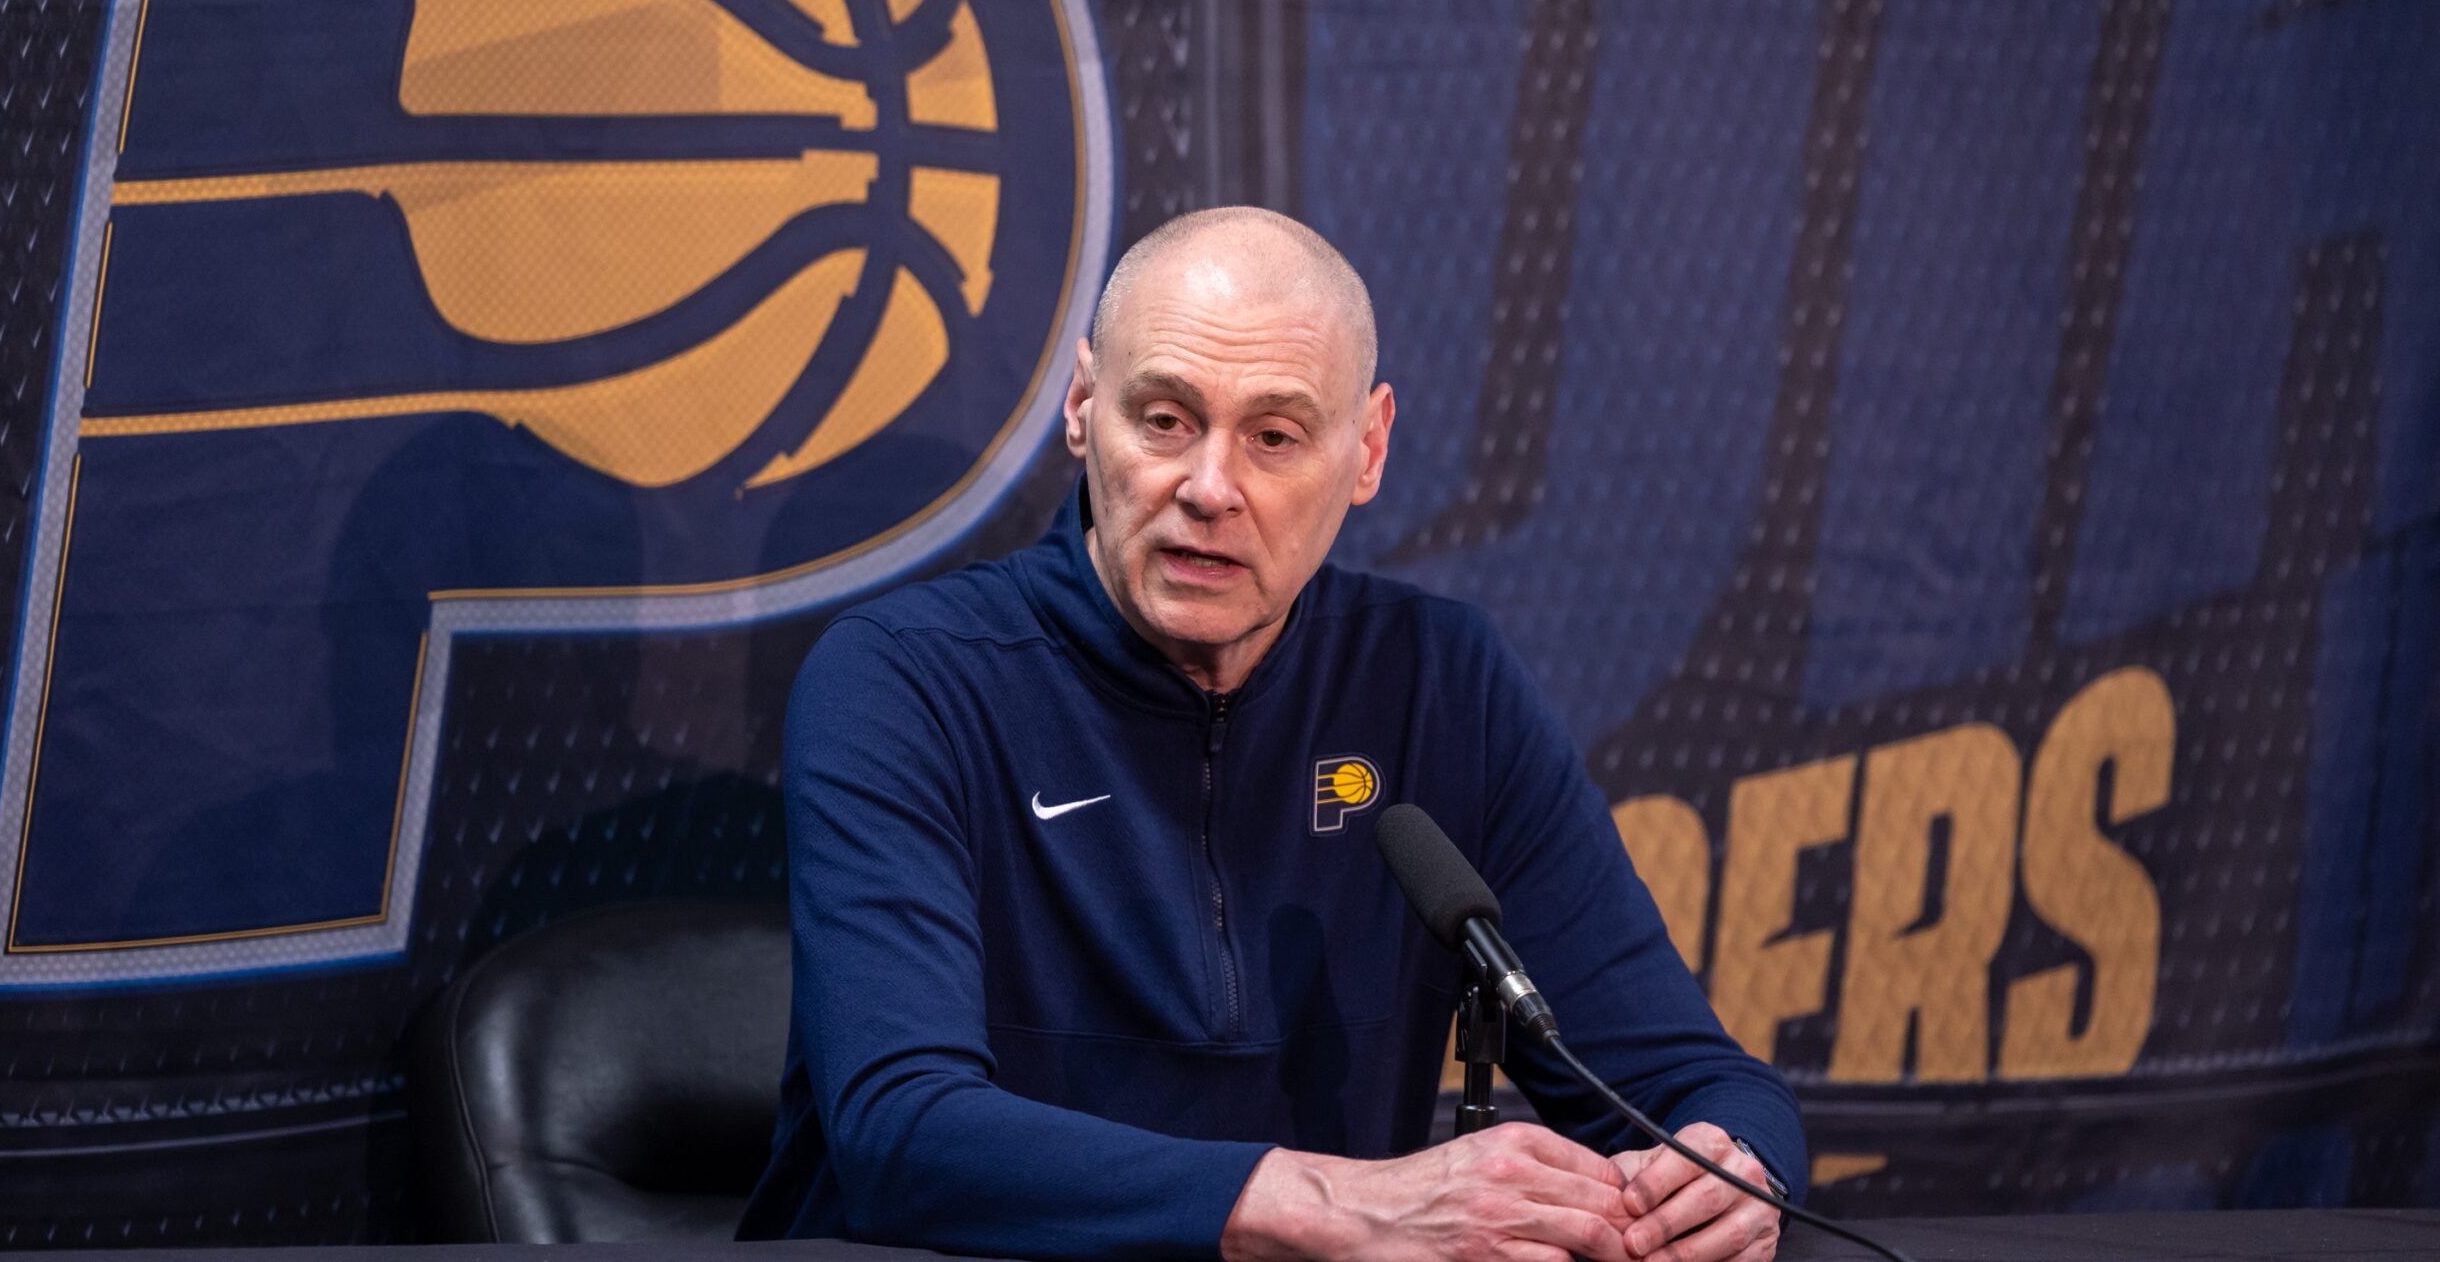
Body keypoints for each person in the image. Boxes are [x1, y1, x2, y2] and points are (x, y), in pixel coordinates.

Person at [739, 207, 1800, 1262]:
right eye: (1163, 419)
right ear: (1081, 404)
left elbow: (1690, 1087)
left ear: (1367, 448)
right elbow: (903, 1133)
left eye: (1275, 436)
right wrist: (1341, 1208)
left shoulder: (1439, 684)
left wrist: (1730, 1172)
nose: (1209, 488)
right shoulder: (906, 680)